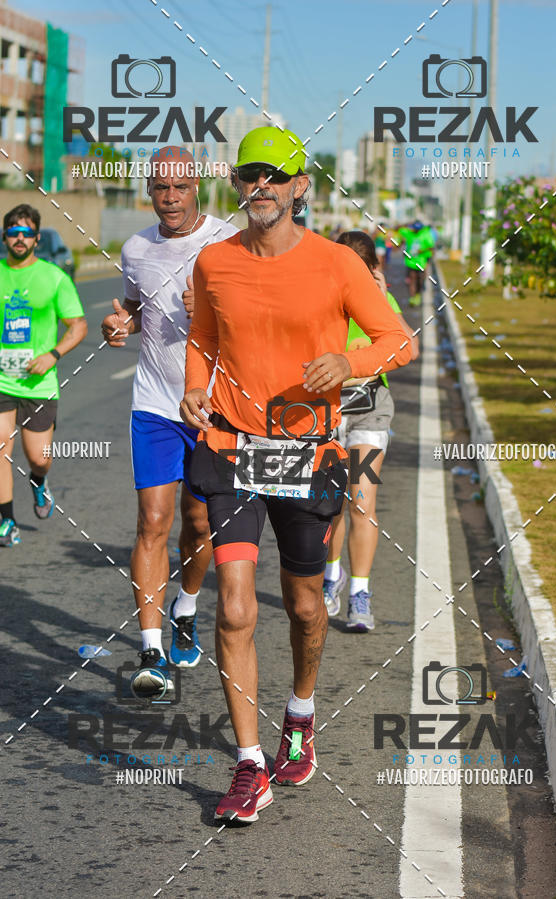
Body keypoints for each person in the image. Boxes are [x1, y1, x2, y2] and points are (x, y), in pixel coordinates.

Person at [179, 126, 414, 824]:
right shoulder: (213, 263)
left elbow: (399, 337)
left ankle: (301, 711)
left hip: (308, 451)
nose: (262, 186)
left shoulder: (338, 264)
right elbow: (204, 339)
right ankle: (250, 764)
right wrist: (196, 386)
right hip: (230, 444)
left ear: (300, 186)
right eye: (250, 174)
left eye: (276, 176)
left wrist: (349, 362)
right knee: (236, 604)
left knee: (308, 605)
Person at [101, 147, 238, 698]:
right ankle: (152, 648)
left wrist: (211, 305)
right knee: (152, 521)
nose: (170, 196)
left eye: (180, 187)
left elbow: (252, 316)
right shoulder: (136, 247)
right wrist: (119, 324)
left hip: (212, 405)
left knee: (199, 523)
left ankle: (186, 606)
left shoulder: (228, 240)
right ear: (150, 189)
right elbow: (136, 308)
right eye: (161, 187)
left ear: (197, 187)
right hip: (154, 403)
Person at [323, 231, 418, 630]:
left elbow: (409, 346)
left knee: (361, 502)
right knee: (330, 506)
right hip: (325, 415)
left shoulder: (380, 300)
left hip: (369, 412)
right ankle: (332, 578)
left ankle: (359, 593)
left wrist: (382, 298)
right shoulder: (320, 296)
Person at [0, 204, 87, 547]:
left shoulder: (54, 277)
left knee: (39, 458)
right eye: (12, 232)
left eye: (26, 233)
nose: (19, 238)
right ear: (5, 237)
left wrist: (53, 355)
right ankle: (7, 520)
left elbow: (77, 325)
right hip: (2, 381)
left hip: (39, 384)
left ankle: (38, 481)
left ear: (36, 238)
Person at [398, 220, 436, 306]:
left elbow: (431, 248)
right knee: (412, 279)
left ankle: (418, 294)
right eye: (415, 229)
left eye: (418, 230)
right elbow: (399, 229)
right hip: (410, 261)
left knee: (420, 279)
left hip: (421, 262)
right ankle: (412, 297)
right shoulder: (408, 233)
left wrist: (421, 251)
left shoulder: (426, 235)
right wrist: (401, 242)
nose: (416, 231)